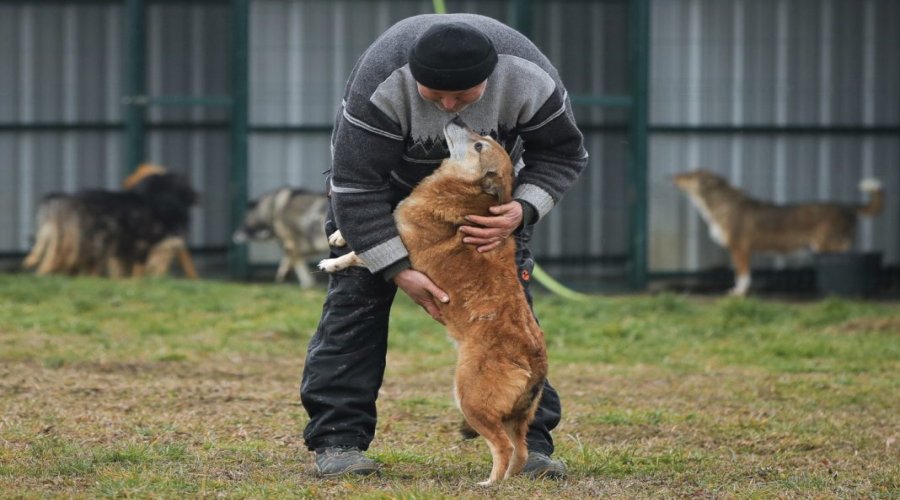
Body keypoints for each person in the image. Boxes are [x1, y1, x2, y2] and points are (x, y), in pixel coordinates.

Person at [300, 13, 588, 479]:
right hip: (385, 193)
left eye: (464, 95)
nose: (450, 106)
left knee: (509, 321)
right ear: (413, 76)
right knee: (355, 303)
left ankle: (530, 446)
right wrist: (396, 267)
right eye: (434, 96)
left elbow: (563, 152)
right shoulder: (382, 82)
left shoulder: (529, 78)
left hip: (483, 202)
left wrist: (522, 210)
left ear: (491, 80)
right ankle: (338, 442)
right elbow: (354, 185)